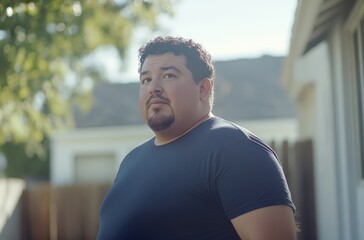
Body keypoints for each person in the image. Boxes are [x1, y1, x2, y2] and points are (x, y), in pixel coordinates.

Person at [97, 36, 297, 240]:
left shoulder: (237, 150)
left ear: (203, 89)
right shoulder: (131, 161)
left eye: (168, 76)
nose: (153, 87)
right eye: (146, 79)